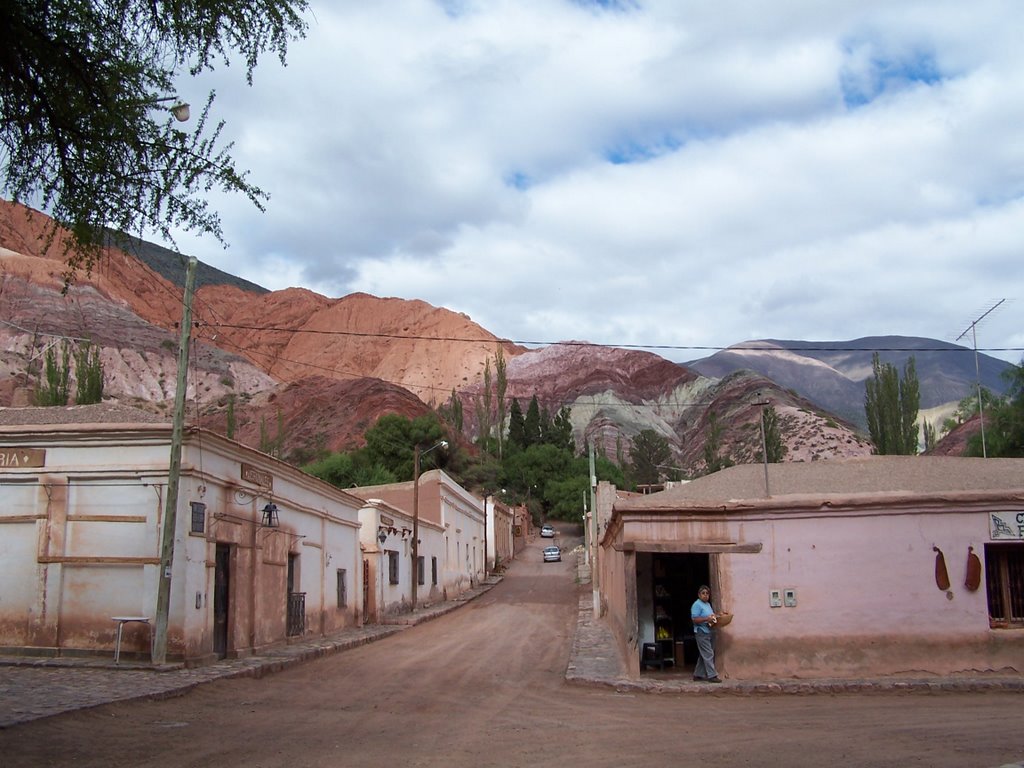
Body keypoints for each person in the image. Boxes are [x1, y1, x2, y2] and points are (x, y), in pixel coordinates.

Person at [691, 585, 721, 683]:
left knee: (704, 654)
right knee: (708, 653)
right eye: (703, 593)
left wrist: (715, 617)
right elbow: (694, 619)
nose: (705, 595)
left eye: (707, 593)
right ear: (699, 595)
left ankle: (698, 674)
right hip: (701, 632)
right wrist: (706, 619)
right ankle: (712, 675)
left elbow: (710, 616)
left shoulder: (707, 605)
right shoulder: (697, 605)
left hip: (710, 631)